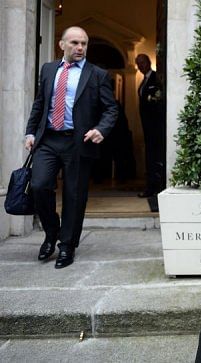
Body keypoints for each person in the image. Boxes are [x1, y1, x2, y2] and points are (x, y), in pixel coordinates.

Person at [25, 26, 117, 269]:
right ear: (62, 45)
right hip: (48, 139)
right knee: (39, 185)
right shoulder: (48, 70)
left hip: (79, 141)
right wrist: (31, 132)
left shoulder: (97, 74)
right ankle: (51, 231)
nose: (80, 48)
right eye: (75, 42)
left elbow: (111, 108)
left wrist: (101, 129)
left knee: (75, 195)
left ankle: (67, 245)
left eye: (84, 43)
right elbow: (40, 104)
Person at [135, 54, 165, 198]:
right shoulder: (143, 81)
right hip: (147, 126)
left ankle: (155, 188)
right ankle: (151, 187)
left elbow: (158, 101)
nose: (140, 66)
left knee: (154, 157)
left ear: (148, 62)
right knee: (150, 156)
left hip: (155, 127)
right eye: (138, 64)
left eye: (142, 63)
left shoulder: (155, 78)